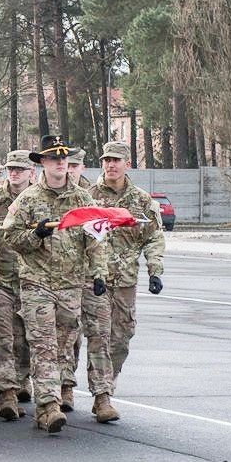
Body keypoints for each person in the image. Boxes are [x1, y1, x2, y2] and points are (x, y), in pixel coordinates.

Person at [2, 134, 108, 433]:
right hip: (37, 283)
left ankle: (56, 395)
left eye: (64, 157)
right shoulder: (29, 199)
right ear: (43, 163)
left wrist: (98, 274)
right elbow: (10, 237)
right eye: (53, 157)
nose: (60, 162)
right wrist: (35, 235)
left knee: (63, 345)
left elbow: (96, 240)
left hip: (71, 285)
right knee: (43, 346)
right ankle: (47, 407)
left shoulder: (82, 199)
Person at [86, 140, 167, 421]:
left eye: (116, 160)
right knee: (98, 335)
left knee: (121, 337)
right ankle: (101, 396)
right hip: (93, 281)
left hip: (124, 282)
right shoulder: (87, 195)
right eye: (106, 160)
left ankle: (108, 383)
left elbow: (154, 237)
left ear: (127, 164)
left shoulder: (141, 200)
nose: (110, 165)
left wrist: (155, 270)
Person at [0, 150, 35, 420]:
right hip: (1, 280)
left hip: (32, 281)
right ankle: (6, 392)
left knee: (26, 338)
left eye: (20, 169)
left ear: (32, 173)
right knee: (1, 337)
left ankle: (22, 379)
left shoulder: (38, 200)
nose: (14, 173)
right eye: (11, 168)